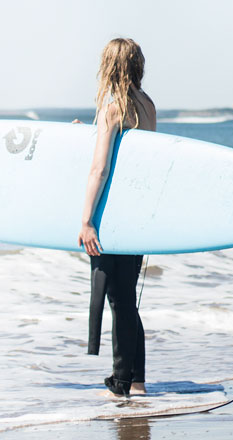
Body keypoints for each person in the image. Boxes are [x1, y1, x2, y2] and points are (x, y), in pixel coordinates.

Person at [78, 37, 156, 398]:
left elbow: (100, 169)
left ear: (109, 66)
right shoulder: (148, 105)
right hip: (138, 214)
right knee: (126, 297)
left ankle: (121, 382)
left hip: (113, 218)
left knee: (118, 298)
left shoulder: (112, 108)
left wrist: (87, 221)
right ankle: (136, 379)